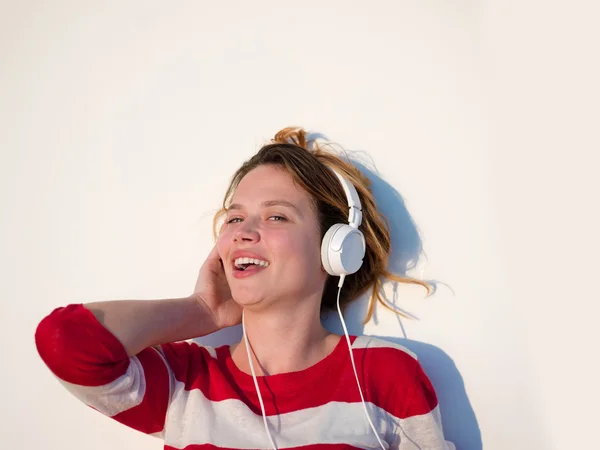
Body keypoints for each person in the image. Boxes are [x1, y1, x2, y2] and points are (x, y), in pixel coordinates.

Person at [35, 127, 455, 449]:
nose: (243, 233)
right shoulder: (188, 381)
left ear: (335, 250)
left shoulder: (386, 372)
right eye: (235, 218)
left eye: (276, 217)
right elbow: (65, 341)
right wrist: (200, 310)